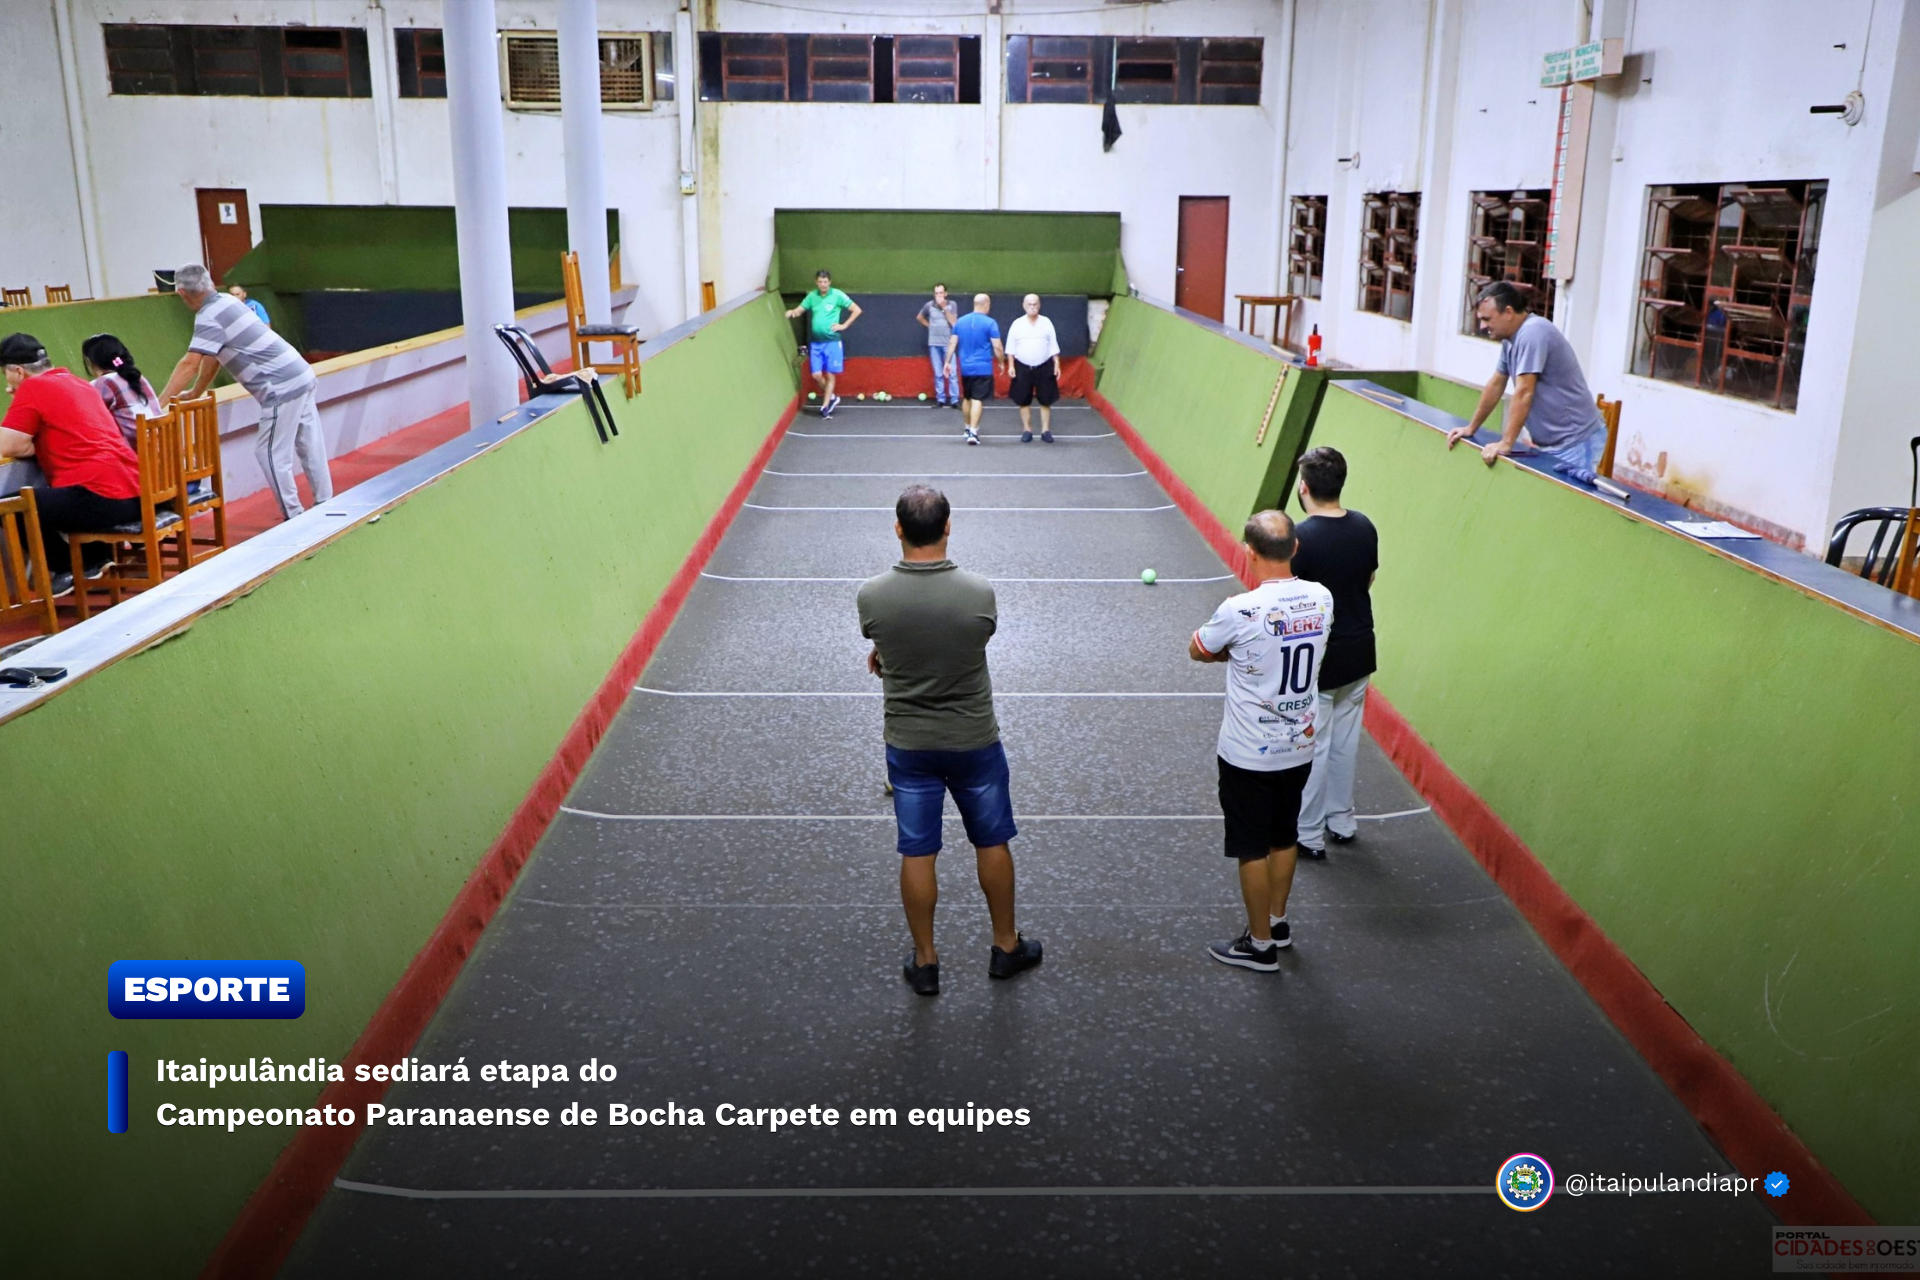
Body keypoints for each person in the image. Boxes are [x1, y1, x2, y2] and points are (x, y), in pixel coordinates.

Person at [857, 484, 1042, 996]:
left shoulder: (872, 595)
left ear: (898, 529)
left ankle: (926, 961)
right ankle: (1005, 947)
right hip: (974, 741)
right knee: (992, 840)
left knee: (918, 850)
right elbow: (970, 640)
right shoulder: (979, 592)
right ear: (948, 527)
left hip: (909, 745)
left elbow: (887, 641)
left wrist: (886, 658)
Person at [1189, 510, 1333, 972]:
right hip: (1300, 745)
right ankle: (1277, 921)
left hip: (1248, 753)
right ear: (1295, 548)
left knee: (1250, 847)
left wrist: (1233, 653)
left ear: (1249, 553)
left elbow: (1199, 649)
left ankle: (1260, 945)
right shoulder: (1322, 597)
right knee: (1284, 835)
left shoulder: (1239, 609)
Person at [160, 262, 332, 521]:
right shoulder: (228, 301)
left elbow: (189, 364)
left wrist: (158, 403)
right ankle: (325, 502)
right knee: (309, 443)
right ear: (210, 282)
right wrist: (196, 391)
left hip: (280, 386)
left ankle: (294, 517)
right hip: (300, 373)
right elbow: (213, 356)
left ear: (182, 293)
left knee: (270, 454)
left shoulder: (208, 315)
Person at [0, 332, 141, 595]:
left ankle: (70, 568)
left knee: (12, 506)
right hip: (133, 492)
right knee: (57, 501)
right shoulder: (79, 382)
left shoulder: (32, 388)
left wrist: (21, 403)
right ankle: (97, 558)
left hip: (101, 497)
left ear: (18, 371)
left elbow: (8, 445)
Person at [1290, 447, 1378, 860]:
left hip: (1320, 659)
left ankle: (1307, 833)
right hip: (1359, 649)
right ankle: (1341, 820)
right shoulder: (1364, 526)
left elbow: (1292, 600)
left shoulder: (1300, 538)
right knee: (1345, 740)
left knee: (1314, 745)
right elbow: (1368, 578)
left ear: (1304, 488)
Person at [1447, 281, 1606, 473]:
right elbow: (1496, 384)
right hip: (1551, 444)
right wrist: (1471, 428)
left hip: (1576, 442)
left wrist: (1506, 443)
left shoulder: (1532, 332)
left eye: (1487, 319)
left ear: (1508, 312)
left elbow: (1524, 391)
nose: (1482, 326)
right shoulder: (1510, 340)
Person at [785, 269, 859, 419]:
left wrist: (844, 325)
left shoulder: (837, 295)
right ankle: (832, 398)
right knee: (816, 375)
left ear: (829, 282)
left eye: (825, 282)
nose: (823, 284)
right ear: (816, 282)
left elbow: (856, 310)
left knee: (830, 375)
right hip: (816, 344)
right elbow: (799, 311)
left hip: (832, 342)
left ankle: (825, 407)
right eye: (820, 282)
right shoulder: (812, 296)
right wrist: (791, 312)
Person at [81, 333, 162, 447]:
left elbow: (83, 416)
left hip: (141, 453)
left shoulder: (103, 383)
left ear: (92, 362)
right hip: (165, 447)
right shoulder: (137, 377)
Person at [946, 294, 1004, 447]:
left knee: (967, 398)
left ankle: (967, 428)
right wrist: (1001, 362)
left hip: (966, 368)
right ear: (986, 305)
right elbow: (997, 347)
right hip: (983, 368)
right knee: (977, 399)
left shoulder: (960, 322)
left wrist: (947, 362)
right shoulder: (990, 323)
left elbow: (952, 343)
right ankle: (973, 432)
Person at [1004, 293, 1062, 443]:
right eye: (1029, 304)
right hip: (1022, 366)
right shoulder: (1017, 324)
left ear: (1039, 305)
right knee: (1023, 399)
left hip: (1044, 366)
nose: (1032, 307)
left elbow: (1053, 345)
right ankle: (1027, 430)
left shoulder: (1046, 323)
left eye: (1035, 304)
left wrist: (1057, 364)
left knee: (1046, 399)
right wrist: (1011, 365)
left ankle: (1045, 430)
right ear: (1024, 306)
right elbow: (1010, 348)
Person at [916, 284, 959, 407]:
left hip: (948, 344)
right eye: (936, 293)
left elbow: (954, 323)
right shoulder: (929, 305)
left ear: (945, 294)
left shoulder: (952, 305)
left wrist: (944, 307)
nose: (939, 296)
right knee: (938, 373)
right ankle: (940, 399)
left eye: (941, 293)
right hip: (934, 344)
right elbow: (919, 317)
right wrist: (930, 326)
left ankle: (955, 400)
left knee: (952, 373)